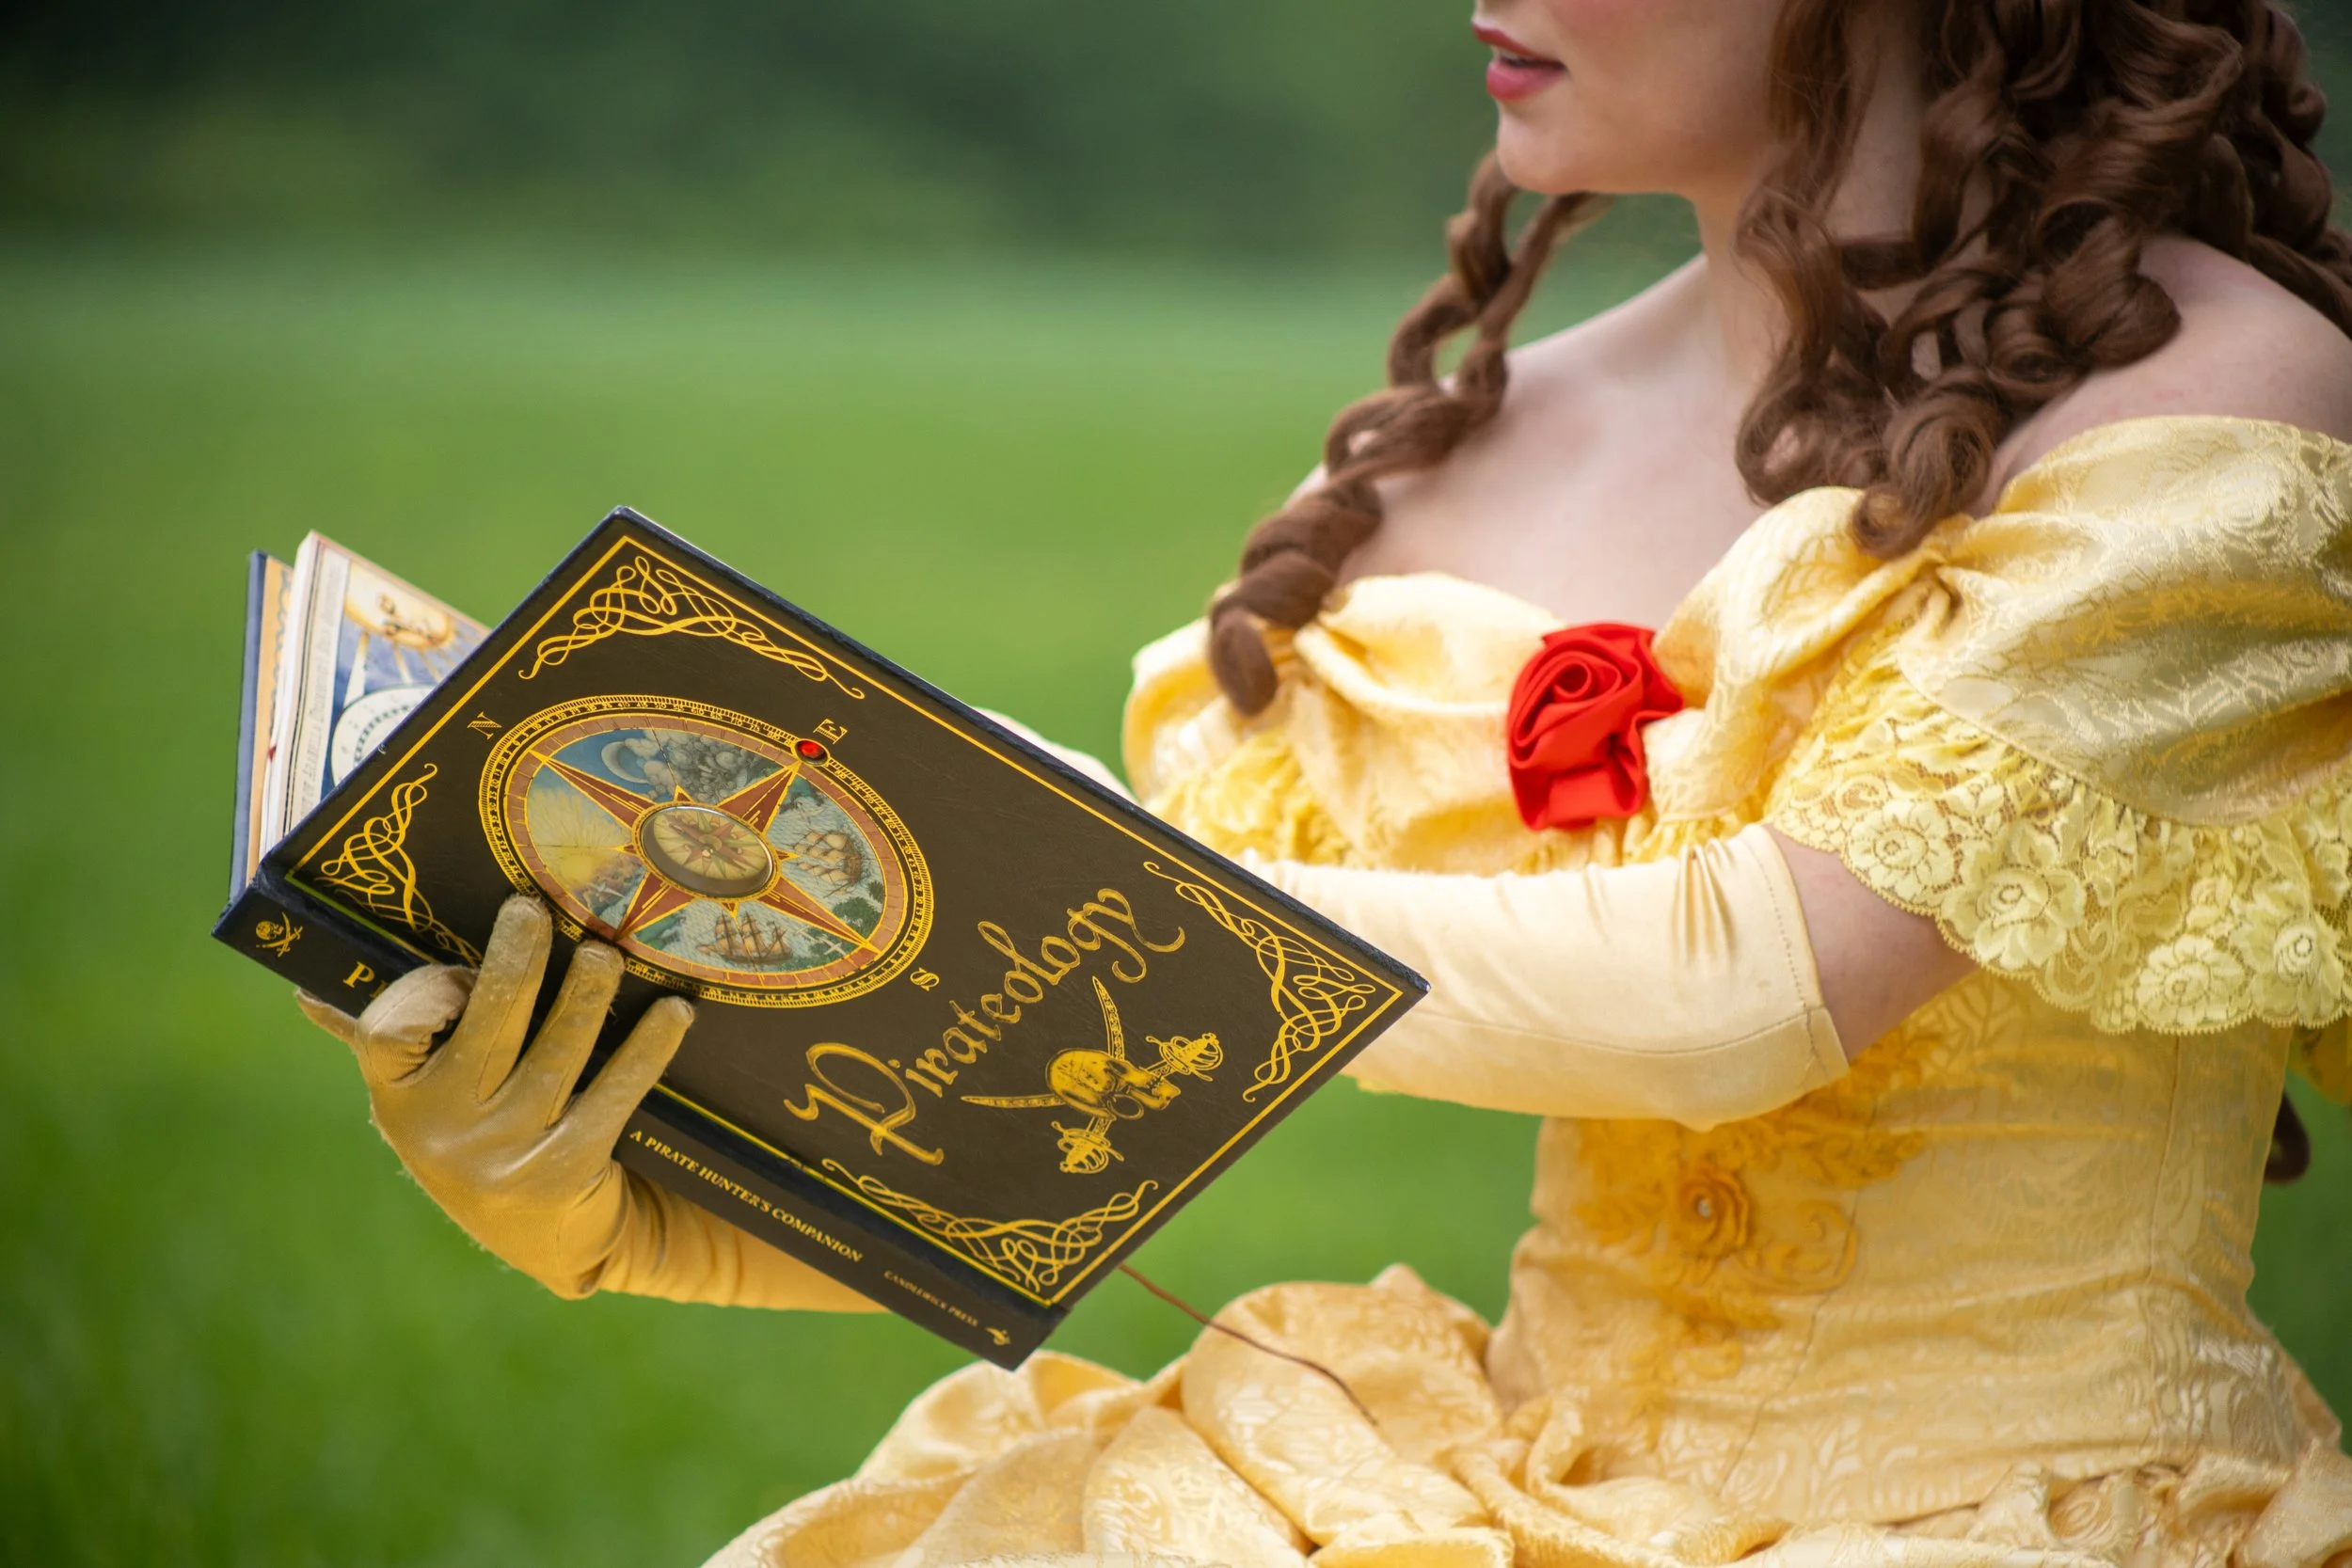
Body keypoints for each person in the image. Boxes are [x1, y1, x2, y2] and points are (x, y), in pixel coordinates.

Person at [297, 1, 2352, 1560]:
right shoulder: (1456, 458)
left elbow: (1751, 979)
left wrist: (1118, 886)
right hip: (1515, 1484)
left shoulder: (2216, 391)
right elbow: (1066, 1105)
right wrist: (608, 1177)